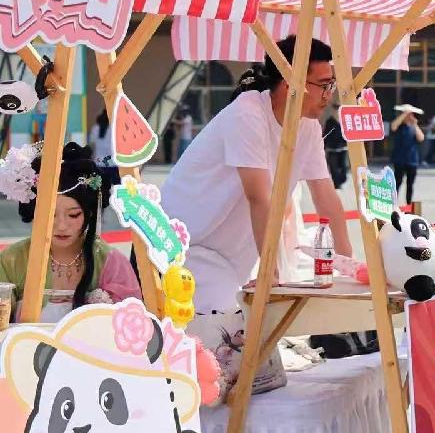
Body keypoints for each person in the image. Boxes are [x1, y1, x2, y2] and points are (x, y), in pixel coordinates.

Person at [161, 35, 352, 343]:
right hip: (187, 248)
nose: (330, 94)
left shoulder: (309, 126)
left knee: (250, 346)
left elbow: (326, 196)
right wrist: (270, 275)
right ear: (294, 84)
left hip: (232, 259)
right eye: (324, 84)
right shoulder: (247, 113)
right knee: (229, 345)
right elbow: (259, 197)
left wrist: (348, 266)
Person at [0, 143, 141, 323]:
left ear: (89, 213)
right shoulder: (12, 260)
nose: (62, 226)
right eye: (51, 215)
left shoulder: (110, 262)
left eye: (73, 215)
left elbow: (131, 325)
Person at [390, 104, 425, 207]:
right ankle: (393, 204)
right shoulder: (399, 126)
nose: (409, 117)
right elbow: (393, 126)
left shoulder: (413, 127)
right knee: (397, 182)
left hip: (412, 159)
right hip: (399, 159)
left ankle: (409, 205)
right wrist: (404, 114)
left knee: (410, 184)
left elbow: (421, 138)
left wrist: (415, 124)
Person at [323, 108, 348, 190]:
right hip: (332, 148)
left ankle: (341, 180)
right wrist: (324, 146)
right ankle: (337, 184)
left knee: (343, 166)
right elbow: (326, 134)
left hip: (343, 147)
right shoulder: (329, 121)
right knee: (334, 167)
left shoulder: (344, 120)